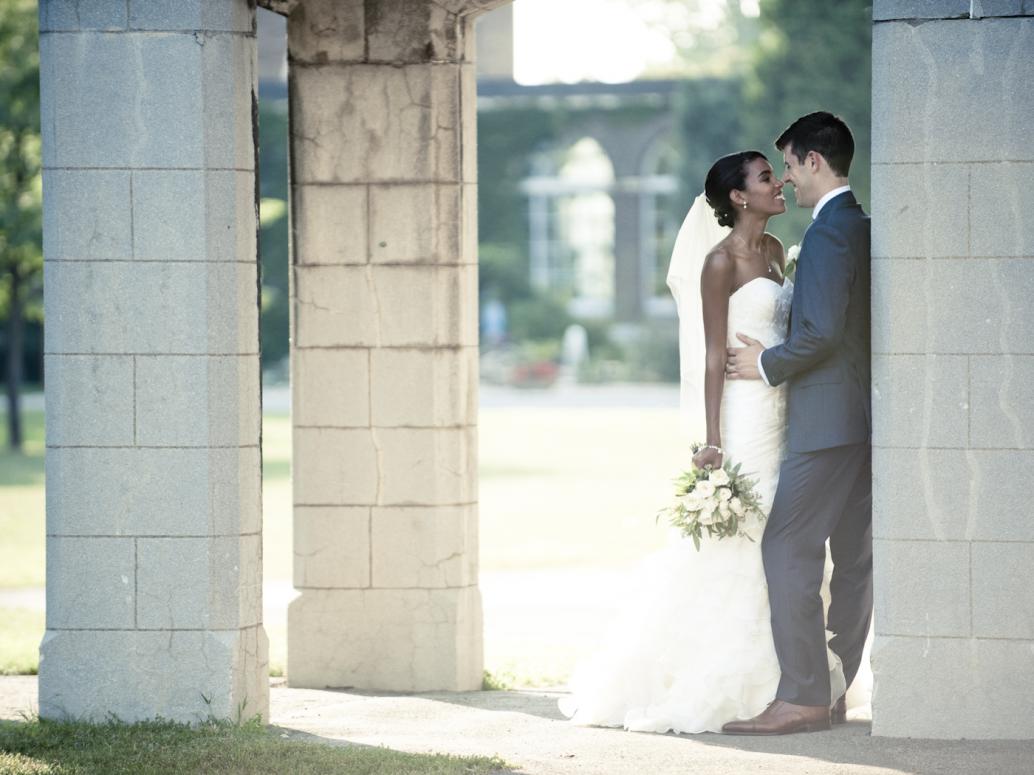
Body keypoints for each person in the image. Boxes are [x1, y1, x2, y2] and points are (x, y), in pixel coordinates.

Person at [557, 147, 846, 734]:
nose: (779, 184)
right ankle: (735, 678)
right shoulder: (721, 262)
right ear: (740, 197)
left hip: (784, 407)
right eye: (768, 178)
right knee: (745, 537)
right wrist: (713, 440)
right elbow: (715, 353)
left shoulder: (773, 252)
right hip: (744, 417)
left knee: (785, 543)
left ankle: (789, 680)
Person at [723, 112, 871, 735]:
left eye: (788, 166)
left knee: (787, 546)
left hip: (827, 421)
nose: (786, 178)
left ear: (814, 161)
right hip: (856, 419)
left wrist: (764, 362)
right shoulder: (854, 224)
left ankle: (805, 694)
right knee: (854, 559)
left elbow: (820, 333)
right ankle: (832, 686)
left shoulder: (833, 232)